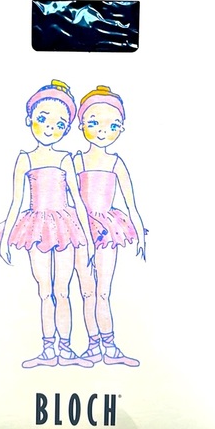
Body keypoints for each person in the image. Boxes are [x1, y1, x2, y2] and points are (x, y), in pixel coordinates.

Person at [0, 79, 95, 368]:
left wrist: (87, 239)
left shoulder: (65, 159)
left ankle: (66, 349)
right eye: (43, 119)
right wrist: (5, 239)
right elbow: (17, 201)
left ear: (67, 129)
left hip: (64, 227)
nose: (50, 128)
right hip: (36, 227)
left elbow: (77, 200)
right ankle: (48, 349)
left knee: (63, 290)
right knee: (44, 290)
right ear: (30, 120)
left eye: (59, 124)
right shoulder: (25, 159)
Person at [73, 85, 146, 367]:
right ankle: (93, 345)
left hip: (106, 230)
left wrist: (140, 235)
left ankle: (110, 345)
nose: (103, 131)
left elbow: (131, 203)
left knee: (103, 290)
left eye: (112, 125)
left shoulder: (116, 163)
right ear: (81, 125)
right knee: (87, 291)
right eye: (94, 123)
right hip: (80, 230)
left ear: (120, 128)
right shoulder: (75, 161)